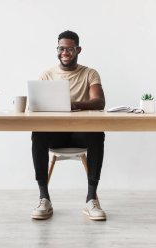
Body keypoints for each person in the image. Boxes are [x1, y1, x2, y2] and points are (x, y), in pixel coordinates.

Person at [31, 30, 106, 221]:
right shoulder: (47, 74)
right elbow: (36, 105)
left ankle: (92, 199)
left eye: (70, 49)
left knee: (97, 133)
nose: (65, 53)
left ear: (78, 50)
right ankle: (43, 198)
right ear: (57, 50)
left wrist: (74, 105)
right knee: (38, 134)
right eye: (61, 48)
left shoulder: (89, 73)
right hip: (55, 133)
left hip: (80, 132)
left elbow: (99, 102)